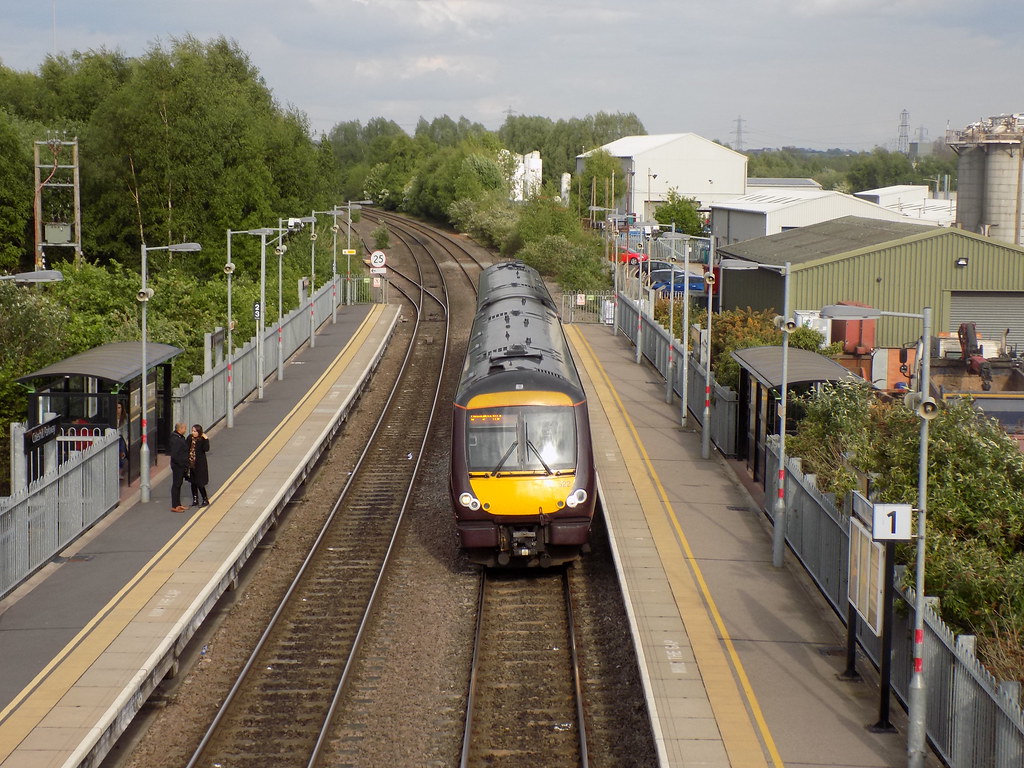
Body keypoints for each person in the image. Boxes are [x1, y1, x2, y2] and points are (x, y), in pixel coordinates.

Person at [186, 423, 211, 507]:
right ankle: (195, 499)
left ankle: (205, 499)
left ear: (199, 432)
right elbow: (186, 447)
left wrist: (206, 439)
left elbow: (206, 449)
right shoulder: (190, 438)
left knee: (200, 483)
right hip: (191, 464)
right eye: (192, 431)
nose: (193, 432)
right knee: (193, 482)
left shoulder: (202, 439)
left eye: (195, 431)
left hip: (200, 464)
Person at [169, 422, 189, 512]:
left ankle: (178, 504)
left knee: (179, 484)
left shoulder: (179, 437)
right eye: (184, 428)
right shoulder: (176, 440)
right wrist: (182, 464)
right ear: (179, 429)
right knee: (176, 485)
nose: (185, 430)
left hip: (180, 465)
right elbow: (175, 454)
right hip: (178, 466)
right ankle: (175, 505)